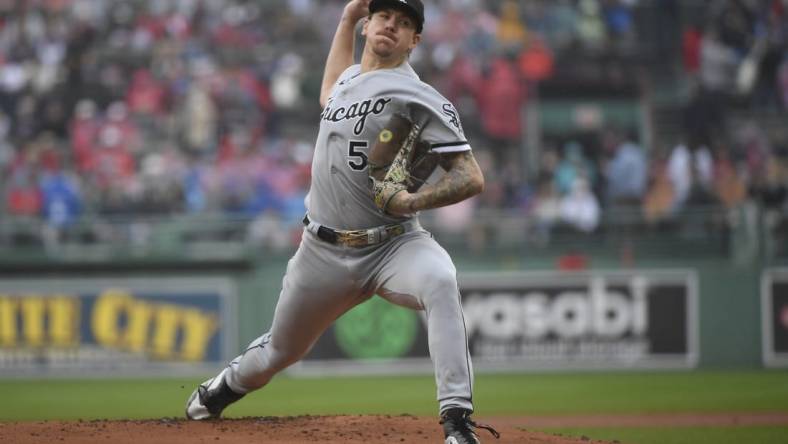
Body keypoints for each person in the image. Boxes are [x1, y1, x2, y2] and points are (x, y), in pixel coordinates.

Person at [185, 1, 498, 443]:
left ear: (415, 40)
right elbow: (329, 89)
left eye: (405, 22)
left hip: (394, 245)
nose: (393, 24)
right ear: (370, 25)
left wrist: (413, 201)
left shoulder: (420, 95)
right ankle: (221, 389)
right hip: (323, 251)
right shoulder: (350, 79)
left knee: (441, 280)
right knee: (280, 351)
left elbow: (471, 175)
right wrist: (348, 18)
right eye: (386, 15)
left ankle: (457, 422)